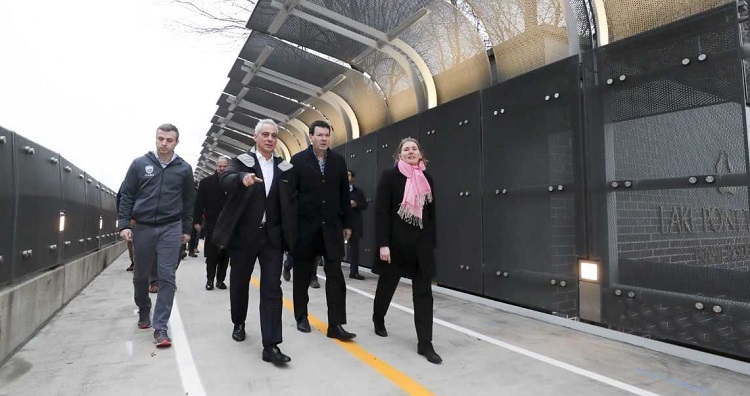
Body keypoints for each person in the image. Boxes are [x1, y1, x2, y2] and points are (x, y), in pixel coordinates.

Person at [212, 119, 296, 365]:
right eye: (266, 135)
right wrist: (242, 180)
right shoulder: (241, 162)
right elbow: (225, 179)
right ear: (255, 137)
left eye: (274, 135)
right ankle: (238, 321)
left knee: (272, 288)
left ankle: (271, 345)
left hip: (272, 237)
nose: (270, 139)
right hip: (244, 235)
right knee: (239, 282)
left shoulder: (285, 167)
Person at [118, 123, 195, 348]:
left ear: (176, 143)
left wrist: (186, 229)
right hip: (142, 227)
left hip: (171, 227)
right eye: (161, 138)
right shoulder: (139, 164)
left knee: (167, 277)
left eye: (169, 140)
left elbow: (189, 200)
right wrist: (124, 224)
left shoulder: (184, 169)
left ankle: (160, 327)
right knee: (141, 275)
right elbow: (127, 195)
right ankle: (144, 309)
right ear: (156, 139)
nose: (164, 143)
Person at [372, 137, 442, 364]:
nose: (411, 152)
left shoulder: (426, 178)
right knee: (387, 285)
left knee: (423, 295)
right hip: (395, 244)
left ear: (420, 154)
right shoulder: (390, 177)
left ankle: (425, 343)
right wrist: (383, 244)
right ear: (398, 155)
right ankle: (378, 317)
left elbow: (431, 214)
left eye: (414, 148)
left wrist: (431, 243)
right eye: (406, 149)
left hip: (420, 246)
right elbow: (381, 212)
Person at [290, 120, 355, 340]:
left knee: (335, 276)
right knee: (301, 276)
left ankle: (335, 325)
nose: (324, 139)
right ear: (311, 136)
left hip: (332, 229)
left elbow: (344, 196)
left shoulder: (338, 161)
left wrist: (347, 223)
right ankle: (301, 317)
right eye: (319, 135)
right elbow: (290, 196)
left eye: (327, 135)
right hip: (305, 230)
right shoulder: (297, 161)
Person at [194, 156, 230, 291]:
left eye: (224, 166)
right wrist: (197, 221)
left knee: (225, 255)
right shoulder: (206, 182)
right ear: (216, 166)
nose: (221, 168)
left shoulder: (233, 183)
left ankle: (220, 280)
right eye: (219, 166)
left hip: (228, 225)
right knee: (211, 255)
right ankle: (210, 280)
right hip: (211, 224)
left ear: (228, 167)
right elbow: (199, 204)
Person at [347, 169, 368, 280]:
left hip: (354, 222)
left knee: (354, 248)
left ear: (353, 178)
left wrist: (356, 204)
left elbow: (364, 205)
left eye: (349, 175)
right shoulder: (337, 189)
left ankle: (354, 272)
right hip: (340, 222)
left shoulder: (358, 191)